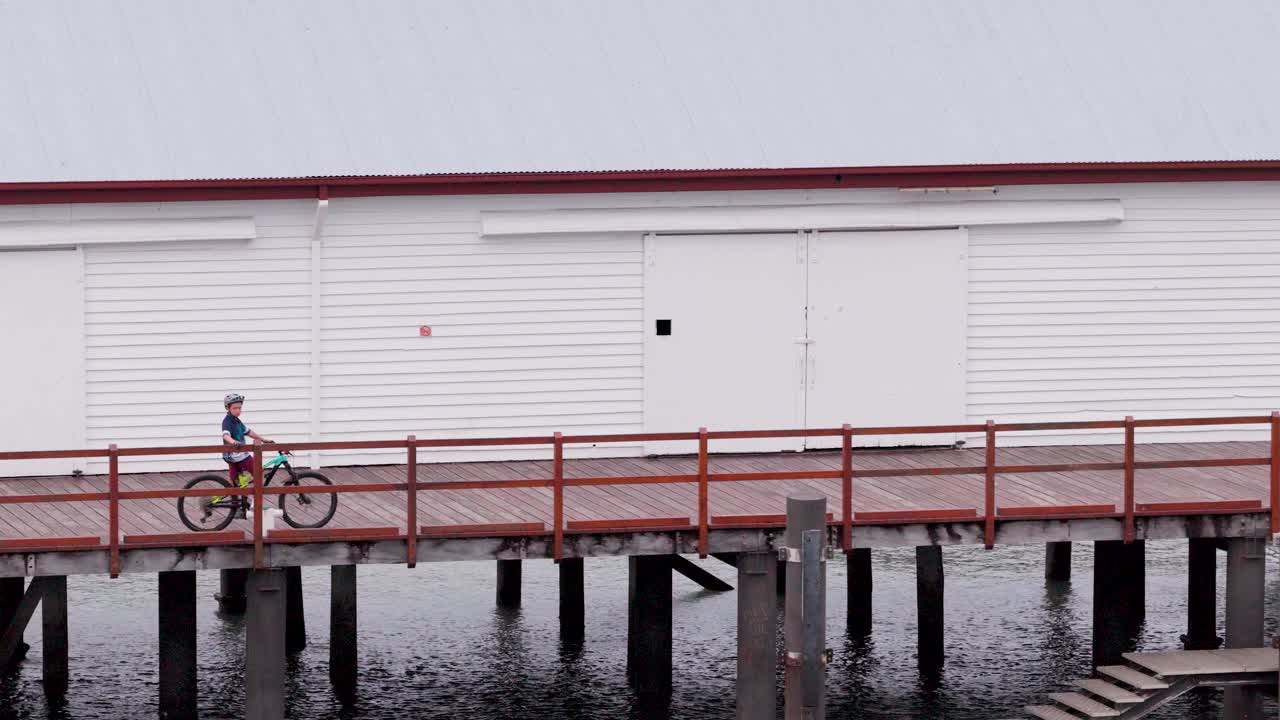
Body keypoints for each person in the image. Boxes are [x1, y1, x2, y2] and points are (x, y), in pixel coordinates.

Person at [222, 393, 272, 490]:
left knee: (240, 482)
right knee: (258, 471)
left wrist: (263, 439)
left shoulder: (236, 420)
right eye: (235, 408)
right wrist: (233, 442)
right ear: (227, 408)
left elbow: (249, 432)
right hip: (237, 455)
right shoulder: (228, 421)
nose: (238, 410)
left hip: (237, 454)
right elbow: (225, 435)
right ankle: (256, 498)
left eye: (240, 408)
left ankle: (241, 498)